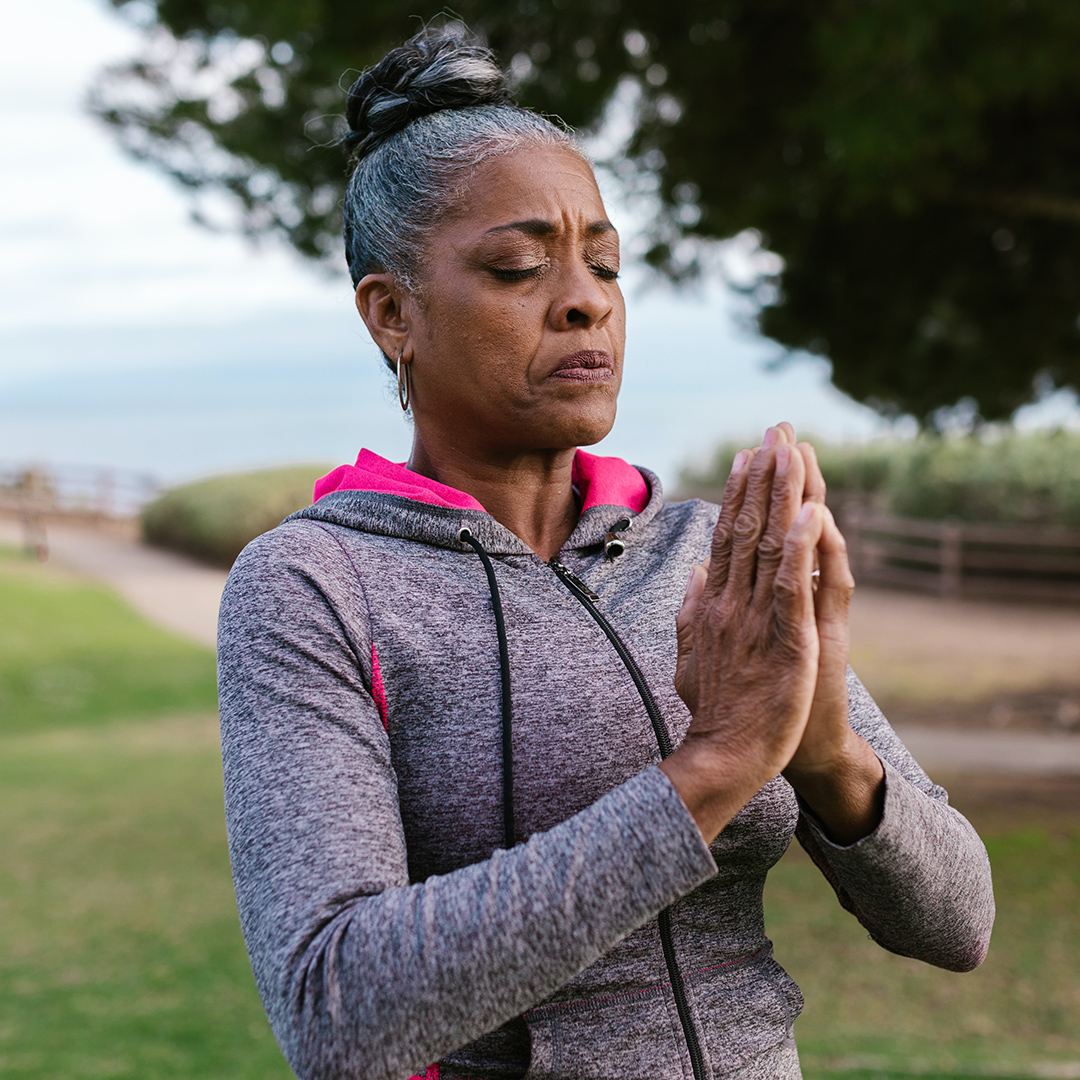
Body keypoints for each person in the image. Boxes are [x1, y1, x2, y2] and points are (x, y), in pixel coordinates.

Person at [217, 25, 994, 1080]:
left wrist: (823, 753)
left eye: (605, 264)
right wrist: (713, 770)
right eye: (518, 265)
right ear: (392, 313)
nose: (585, 299)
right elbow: (336, 1007)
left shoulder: (707, 563)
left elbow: (958, 925)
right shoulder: (317, 587)